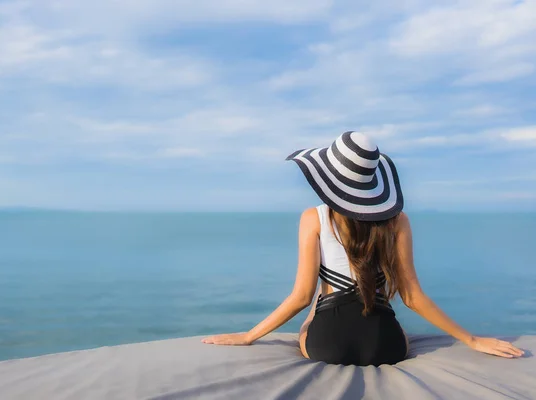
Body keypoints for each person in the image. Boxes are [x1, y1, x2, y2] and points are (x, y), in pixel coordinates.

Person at [201, 131, 524, 365]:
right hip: (387, 347)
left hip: (329, 345)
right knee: (382, 309)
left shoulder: (314, 217)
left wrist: (248, 336)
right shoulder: (398, 221)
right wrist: (471, 339)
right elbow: (411, 296)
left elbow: (300, 296)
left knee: (315, 306)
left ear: (329, 178)